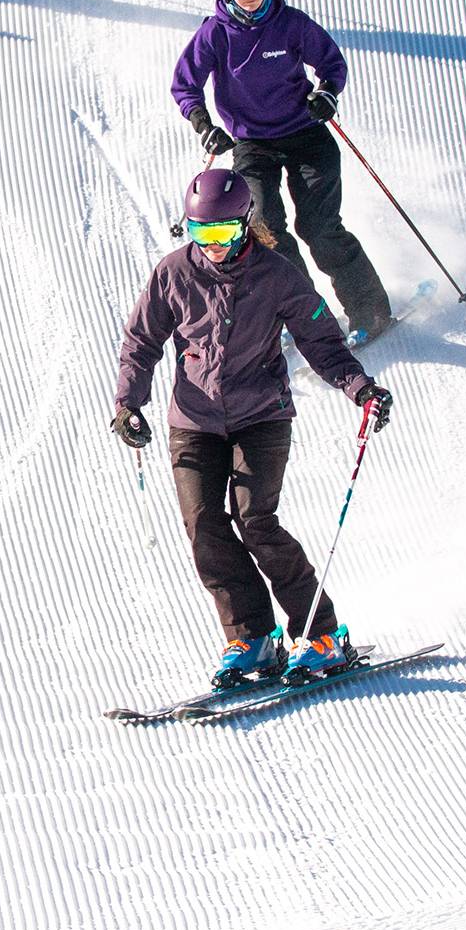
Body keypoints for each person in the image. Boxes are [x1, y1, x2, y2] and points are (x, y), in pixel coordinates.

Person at [112, 170, 393, 688]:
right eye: (201, 235)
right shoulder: (172, 274)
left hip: (261, 416)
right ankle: (252, 638)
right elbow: (140, 343)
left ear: (244, 225)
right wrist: (129, 404)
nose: (212, 248)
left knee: (255, 520)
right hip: (193, 421)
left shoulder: (277, 274)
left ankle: (322, 634)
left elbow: (322, 341)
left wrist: (360, 389)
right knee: (204, 526)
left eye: (221, 235)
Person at [171, 0, 395, 339]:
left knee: (319, 226)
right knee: (267, 231)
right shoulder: (214, 34)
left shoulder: (291, 23)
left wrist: (326, 93)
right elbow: (185, 86)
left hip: (306, 135)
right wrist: (204, 125)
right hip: (253, 145)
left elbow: (331, 63)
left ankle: (370, 311)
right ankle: (310, 320)